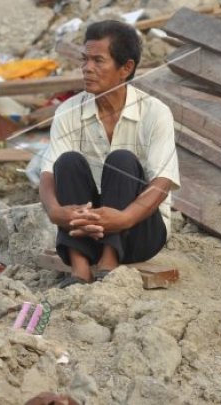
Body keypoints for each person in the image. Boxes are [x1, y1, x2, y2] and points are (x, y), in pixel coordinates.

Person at [39, 20, 180, 288]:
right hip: (86, 231)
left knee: (122, 160)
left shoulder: (155, 112)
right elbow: (48, 174)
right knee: (67, 162)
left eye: (98, 61)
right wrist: (56, 211)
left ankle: (109, 261)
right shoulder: (68, 112)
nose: (87, 68)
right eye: (85, 60)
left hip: (139, 233)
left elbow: (162, 183)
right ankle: (79, 269)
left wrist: (124, 218)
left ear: (125, 68)